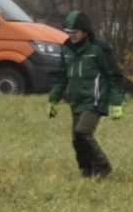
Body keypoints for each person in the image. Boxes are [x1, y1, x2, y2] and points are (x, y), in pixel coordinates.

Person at [47, 10, 127, 178]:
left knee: (82, 131)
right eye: (68, 32)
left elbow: (114, 75)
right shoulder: (66, 49)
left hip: (95, 100)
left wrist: (116, 102)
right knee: (77, 140)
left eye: (74, 32)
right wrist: (53, 99)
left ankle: (103, 166)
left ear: (84, 31)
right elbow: (62, 77)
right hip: (76, 101)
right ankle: (86, 170)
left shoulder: (99, 49)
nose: (71, 35)